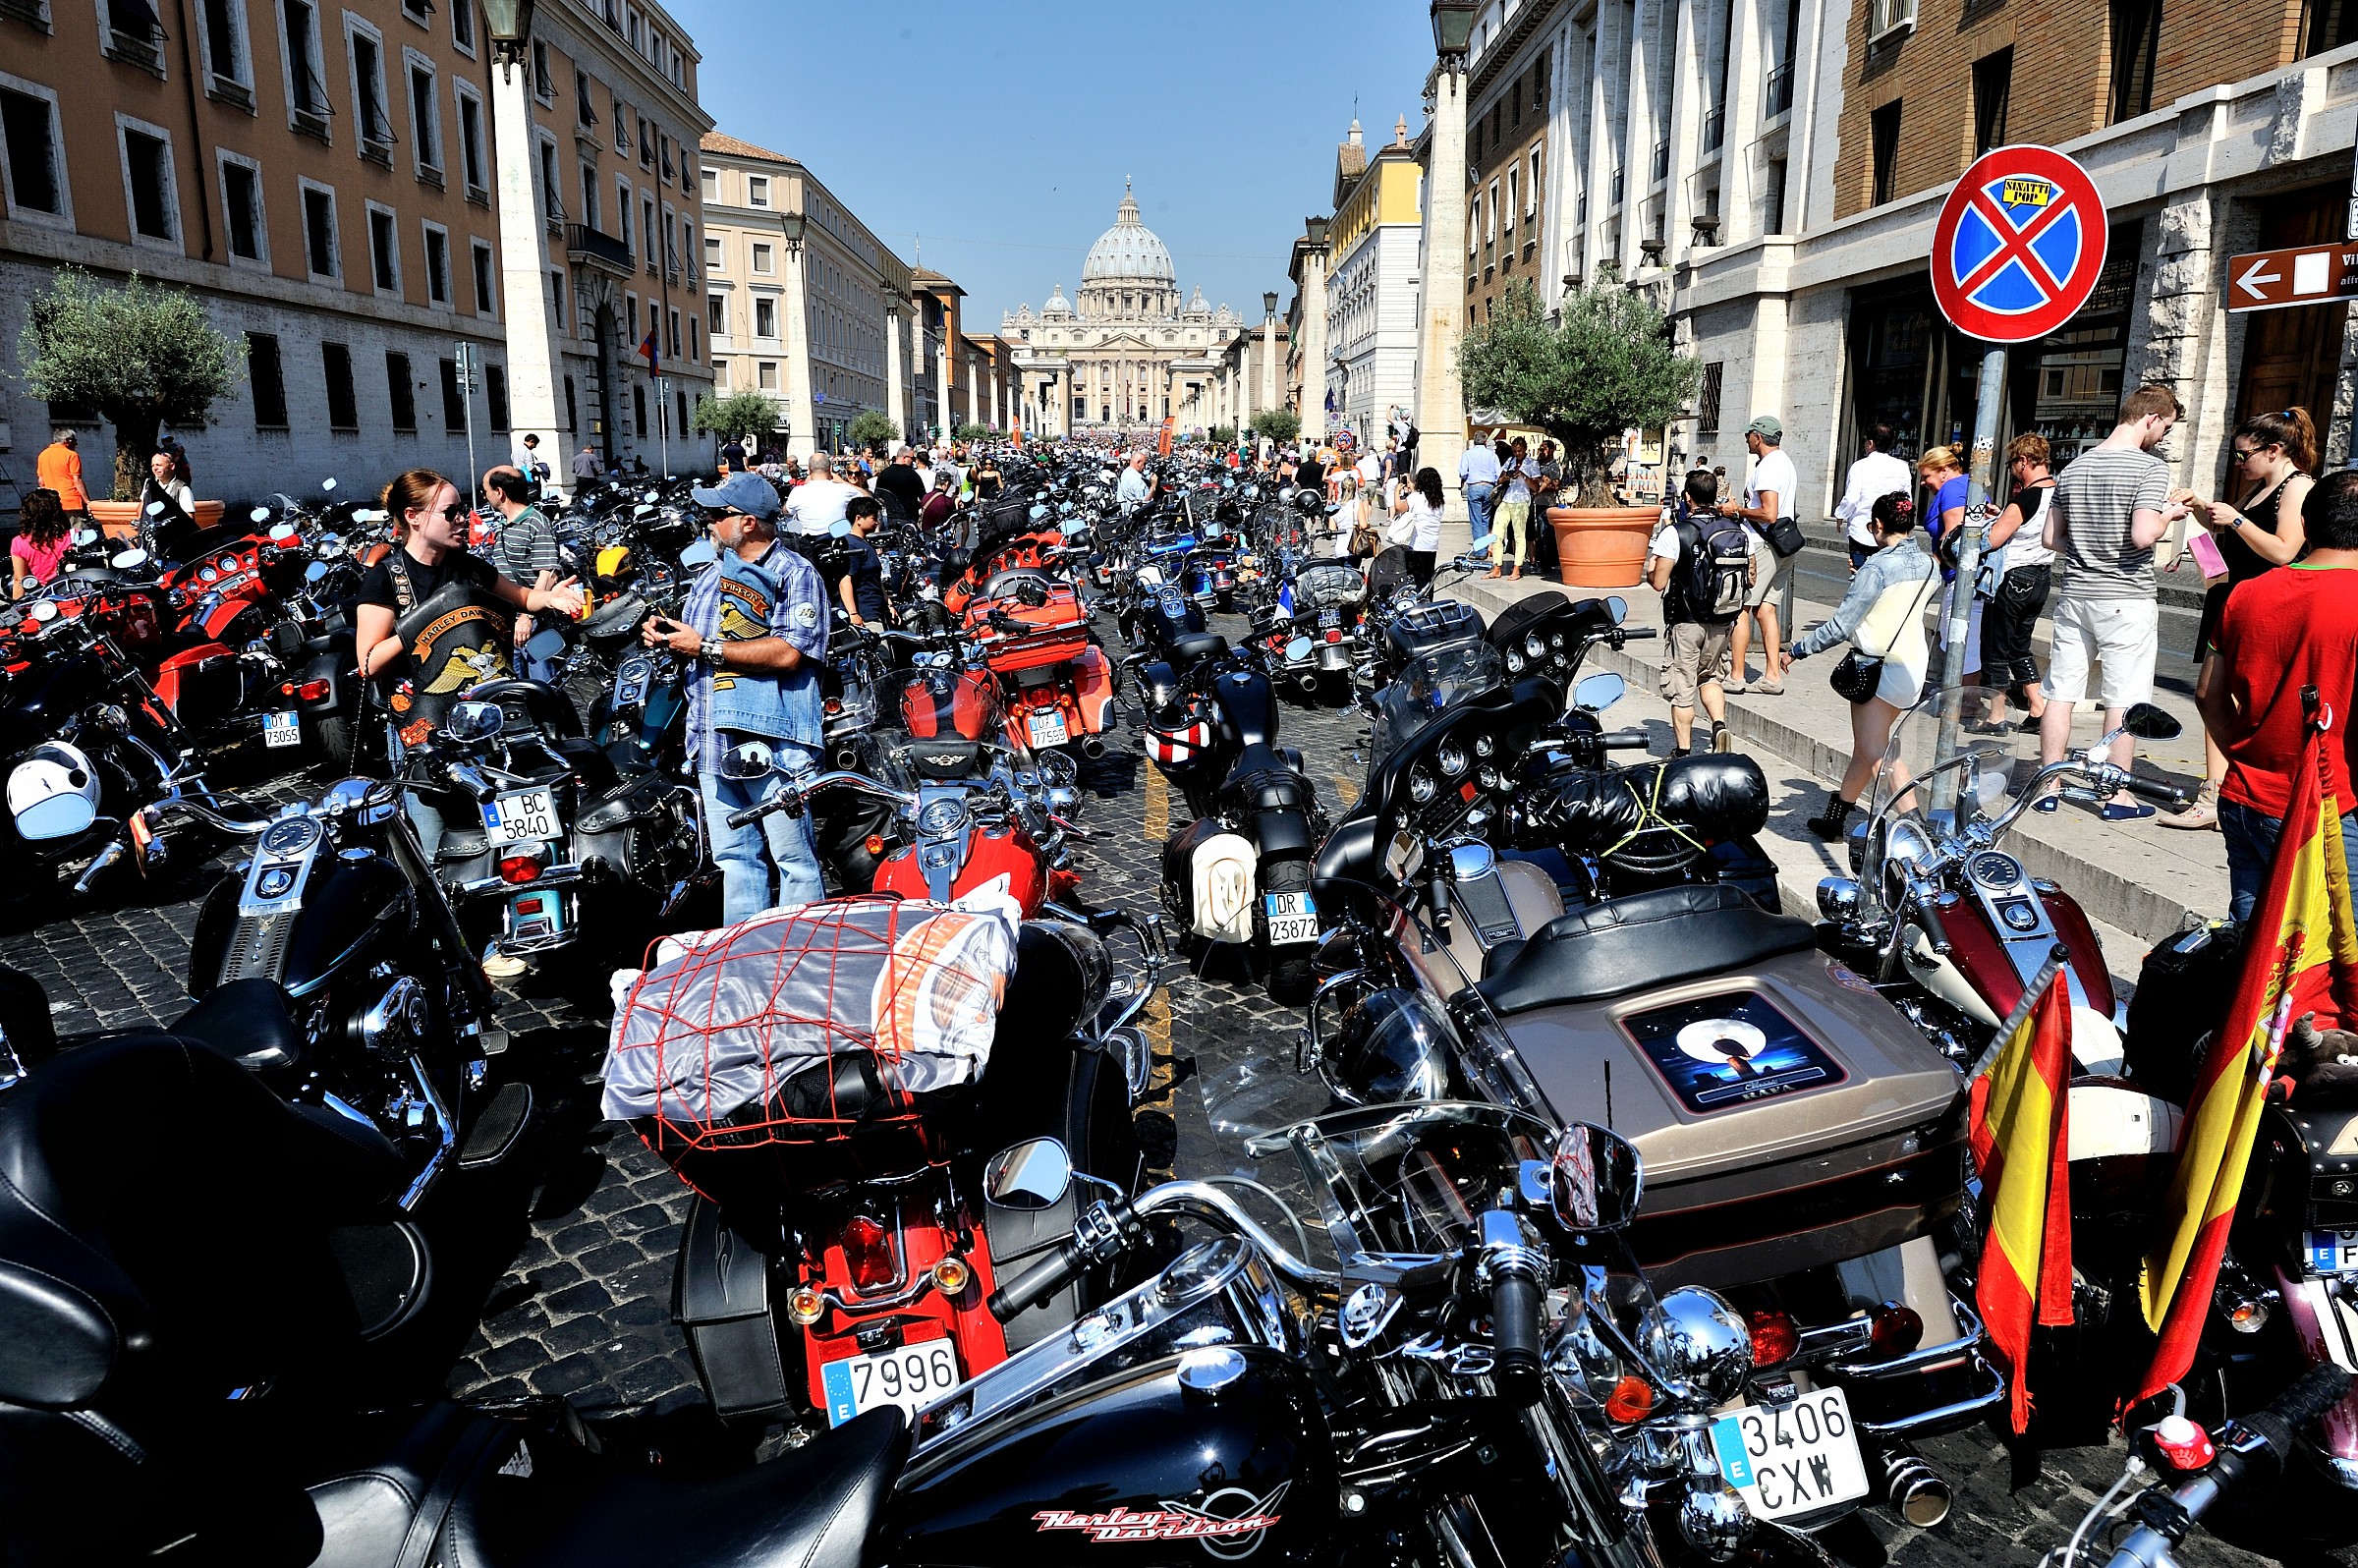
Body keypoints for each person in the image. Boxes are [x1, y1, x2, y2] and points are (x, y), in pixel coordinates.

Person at [354, 469, 584, 868]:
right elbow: (369, 662)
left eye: (463, 509)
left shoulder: (469, 567)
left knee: (514, 833)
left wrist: (549, 598)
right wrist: (427, 618)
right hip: (423, 729)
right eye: (452, 512)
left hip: (487, 723)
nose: (464, 519)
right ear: (413, 517)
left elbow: (523, 598)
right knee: (441, 848)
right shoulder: (386, 578)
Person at [641, 472, 829, 924]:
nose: (707, 521)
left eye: (717, 513)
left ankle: (800, 950)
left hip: (774, 743)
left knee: (794, 860)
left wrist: (703, 647)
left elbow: (789, 652)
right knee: (734, 861)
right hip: (712, 739)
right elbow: (701, 644)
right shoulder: (710, 576)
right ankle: (747, 954)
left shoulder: (795, 573)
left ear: (747, 522)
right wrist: (667, 637)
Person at [2200, 469, 2358, 922]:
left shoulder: (2245, 594)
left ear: (2304, 525)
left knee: (2252, 945)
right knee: (2334, 953)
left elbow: (2207, 693)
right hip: (2327, 809)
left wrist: (2245, 753)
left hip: (2245, 796)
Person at [2161, 407, 2319, 831]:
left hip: (2267, 606)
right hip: (2234, 598)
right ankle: (2221, 787)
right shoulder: (2262, 486)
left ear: (2273, 450)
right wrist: (2202, 509)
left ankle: (2230, 789)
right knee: (2213, 694)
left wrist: (2237, 517)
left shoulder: (2297, 486)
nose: (2238, 463)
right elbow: (2232, 533)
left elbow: (2284, 550)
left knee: (2236, 697)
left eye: (2243, 455)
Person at [2036, 384, 2187, 819]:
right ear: (2151, 418)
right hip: (2126, 597)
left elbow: (2051, 538)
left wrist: (2089, 544)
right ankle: (2117, 795)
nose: (2162, 437)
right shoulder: (2149, 468)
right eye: (2165, 428)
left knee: (2061, 693)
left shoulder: (2074, 467)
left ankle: (2048, 785)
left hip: (2076, 594)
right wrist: (2169, 515)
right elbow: (2143, 534)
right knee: (2124, 698)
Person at [1788, 491, 1939, 839]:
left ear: (1879, 525)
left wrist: (1798, 650)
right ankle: (1834, 819)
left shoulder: (1876, 567)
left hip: (1877, 668)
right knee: (1867, 746)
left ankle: (1918, 829)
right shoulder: (1930, 565)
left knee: (1878, 754)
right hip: (1912, 664)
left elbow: (1841, 626)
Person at [1648, 469, 1750, 756]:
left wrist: (1652, 568)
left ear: (1687, 497)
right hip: (1722, 620)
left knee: (1682, 687)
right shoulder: (1736, 532)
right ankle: (1719, 726)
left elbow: (1658, 583)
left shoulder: (1675, 532)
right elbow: (1751, 576)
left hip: (1687, 621)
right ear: (1715, 496)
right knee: (1710, 676)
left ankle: (1683, 752)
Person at [1979, 433, 2057, 737]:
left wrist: (1988, 524)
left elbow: (1994, 539)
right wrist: (2004, 515)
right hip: (2041, 577)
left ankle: (1996, 716)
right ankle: (2037, 707)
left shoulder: (2024, 498)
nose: (2012, 469)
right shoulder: (2057, 492)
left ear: (2023, 461)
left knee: (1995, 645)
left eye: (2012, 463)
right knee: (2019, 645)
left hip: (2013, 577)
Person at [1720, 416, 1797, 695]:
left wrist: (1736, 511)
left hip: (1762, 545)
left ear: (1759, 437)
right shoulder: (1785, 462)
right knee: (1766, 609)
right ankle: (1772, 676)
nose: (1746, 439)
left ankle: (1737, 675)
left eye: (1749, 435)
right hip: (1783, 545)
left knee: (1741, 607)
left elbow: (1768, 512)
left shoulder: (1767, 467)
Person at [487, 469, 562, 680]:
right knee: (515, 687)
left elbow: (548, 574)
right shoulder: (503, 526)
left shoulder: (536, 523)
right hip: (507, 622)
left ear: (499, 492)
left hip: (532, 624)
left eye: (486, 491)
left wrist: (527, 617)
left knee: (541, 685)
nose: (485, 496)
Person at [1833, 424, 1911, 572]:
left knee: (1859, 573)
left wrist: (1840, 514)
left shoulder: (1860, 466)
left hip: (1861, 531)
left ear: (1870, 443)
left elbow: (1852, 498)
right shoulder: (1902, 467)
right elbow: (1906, 501)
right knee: (1888, 575)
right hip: (1890, 533)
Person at [838, 494, 891, 630]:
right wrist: (853, 614)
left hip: (877, 612)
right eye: (873, 518)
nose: (877, 522)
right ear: (858, 519)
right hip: (865, 617)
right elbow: (845, 580)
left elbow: (876, 580)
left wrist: (889, 604)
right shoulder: (851, 546)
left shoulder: (865, 544)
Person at [9, 488, 72, 600]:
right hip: (72, 591)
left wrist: (16, 607)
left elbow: (20, 580)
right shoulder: (74, 536)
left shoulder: (19, 542)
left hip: (43, 597)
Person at [1389, 466, 1445, 586]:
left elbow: (1399, 508)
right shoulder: (1439, 501)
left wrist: (1396, 492)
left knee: (1415, 579)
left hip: (1416, 544)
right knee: (1428, 578)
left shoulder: (1415, 497)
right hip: (1431, 545)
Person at [1489, 437, 1535, 581]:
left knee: (1519, 535)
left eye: (1519, 451)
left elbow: (1536, 486)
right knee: (1497, 534)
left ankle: (1517, 569)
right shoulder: (1510, 461)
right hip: (1506, 499)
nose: (1517, 454)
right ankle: (1496, 567)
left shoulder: (1532, 463)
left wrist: (1524, 476)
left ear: (1525, 449)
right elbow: (1499, 480)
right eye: (1514, 451)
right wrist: (1506, 477)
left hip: (1521, 501)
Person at [785, 451, 858, 535]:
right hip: (839, 539)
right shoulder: (845, 489)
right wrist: (842, 481)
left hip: (809, 541)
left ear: (809, 470)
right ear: (830, 469)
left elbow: (786, 511)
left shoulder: (798, 492)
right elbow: (867, 496)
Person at [1459, 435, 1500, 558]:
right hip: (1488, 486)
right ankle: (1484, 548)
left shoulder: (1468, 454)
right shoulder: (1492, 455)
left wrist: (1469, 476)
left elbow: (1462, 472)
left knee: (1476, 520)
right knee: (1485, 519)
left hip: (1475, 486)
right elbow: (1498, 473)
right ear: (1485, 442)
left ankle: (1480, 551)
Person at [35, 429, 86, 523]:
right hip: (71, 501)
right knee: (77, 529)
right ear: (67, 441)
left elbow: (41, 482)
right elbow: (77, 481)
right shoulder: (72, 455)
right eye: (74, 440)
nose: (76, 444)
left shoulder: (43, 455)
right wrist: (87, 501)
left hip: (52, 501)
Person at [874, 446, 926, 525]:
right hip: (908, 518)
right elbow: (923, 497)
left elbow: (878, 496)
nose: (913, 461)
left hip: (889, 517)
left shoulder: (884, 474)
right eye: (912, 458)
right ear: (905, 458)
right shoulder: (912, 475)